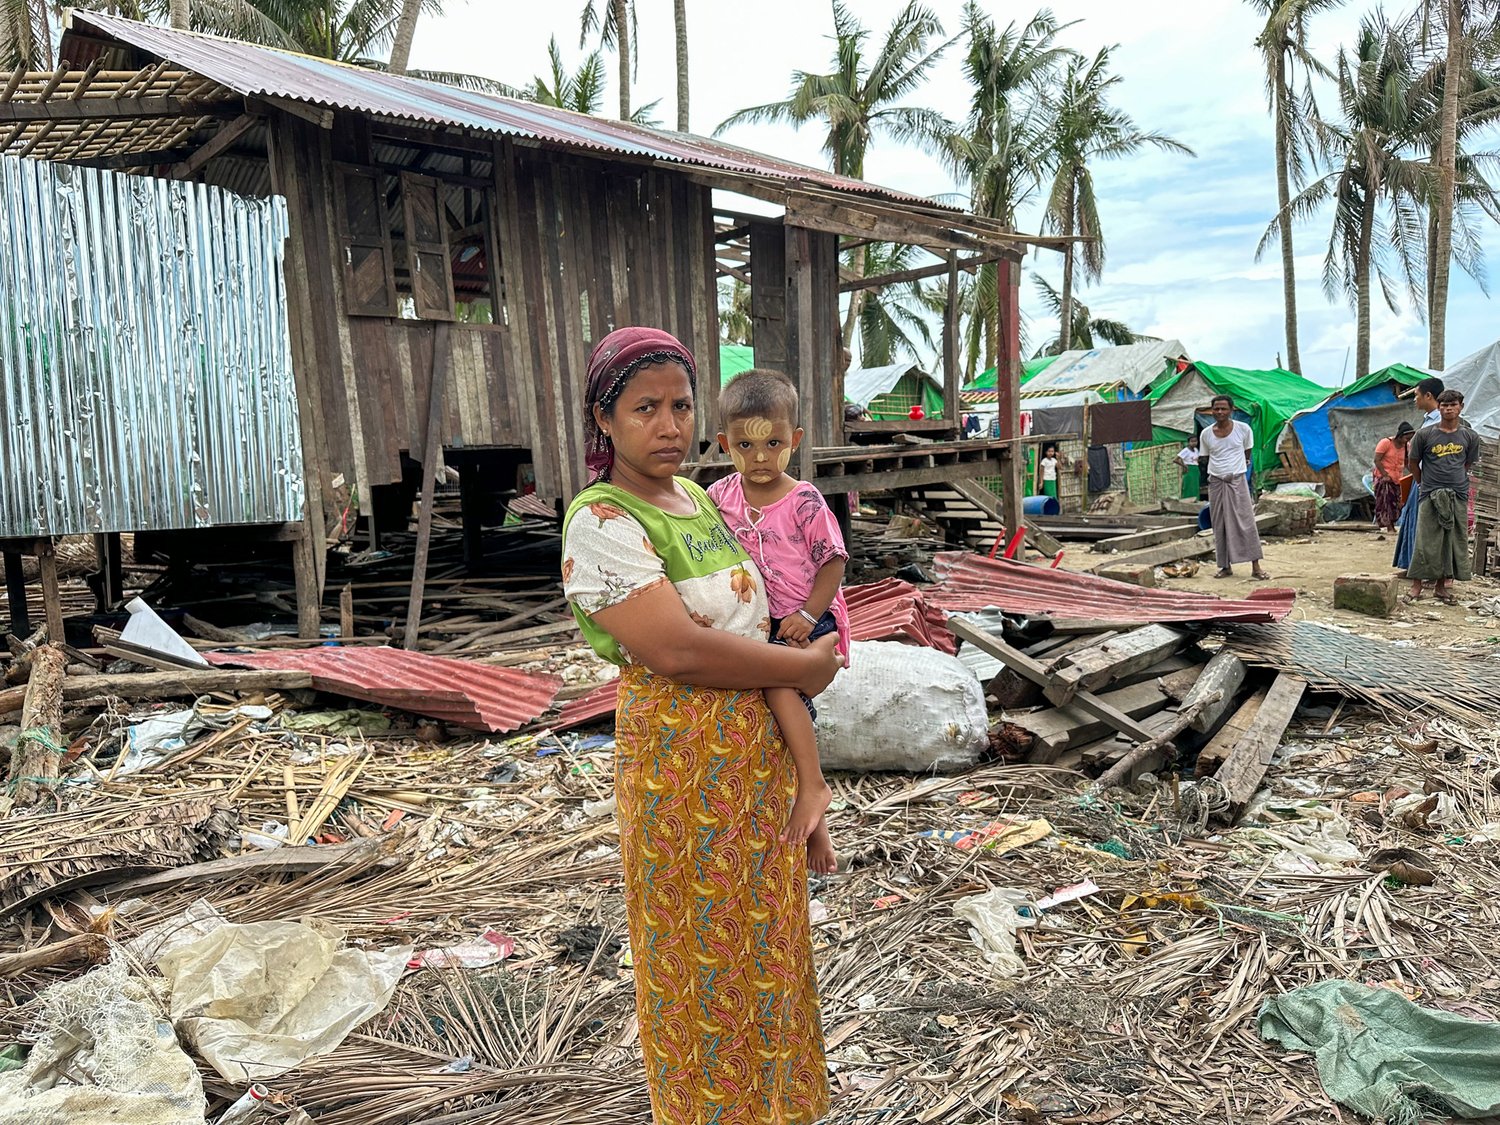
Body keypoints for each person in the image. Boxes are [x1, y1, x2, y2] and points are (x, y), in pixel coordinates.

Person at [560, 327, 836, 1125]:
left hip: (756, 766)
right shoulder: (601, 520)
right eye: (645, 407)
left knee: (769, 951)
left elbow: (752, 625)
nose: (669, 424)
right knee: (698, 961)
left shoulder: (702, 503)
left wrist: (808, 778)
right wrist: (805, 669)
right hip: (681, 773)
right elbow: (678, 652)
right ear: (603, 420)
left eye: (681, 405)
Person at [707, 368, 849, 875]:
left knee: (781, 690)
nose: (760, 457)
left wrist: (808, 615)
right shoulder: (719, 496)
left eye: (773, 442)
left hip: (806, 616)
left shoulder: (805, 501)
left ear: (796, 440)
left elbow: (833, 561)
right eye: (745, 446)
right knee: (781, 721)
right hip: (760, 621)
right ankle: (816, 821)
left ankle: (814, 787)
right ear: (725, 444)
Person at [1405, 389, 1480, 606]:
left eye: (1453, 405)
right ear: (1438, 407)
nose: (1448, 409)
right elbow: (1413, 463)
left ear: (1461, 407)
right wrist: (1422, 484)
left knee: (1451, 541)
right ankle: (1416, 585)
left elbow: (1467, 464)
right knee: (1425, 539)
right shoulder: (1424, 435)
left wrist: (1455, 481)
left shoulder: (1469, 436)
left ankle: (1441, 587)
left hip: (1458, 493)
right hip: (1430, 493)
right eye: (1444, 405)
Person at [1200, 394, 1270, 580]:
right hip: (1216, 482)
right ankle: (1225, 566)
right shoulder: (1206, 434)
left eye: (1223, 408)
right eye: (1216, 409)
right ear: (1211, 411)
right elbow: (1207, 457)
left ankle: (1256, 567)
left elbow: (1247, 452)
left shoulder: (1243, 429)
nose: (1220, 412)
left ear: (1231, 410)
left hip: (1236, 481)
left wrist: (1238, 467)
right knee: (1219, 524)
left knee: (1245, 522)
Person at [1393, 376, 1445, 571]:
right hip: (1420, 478)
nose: (1415, 399)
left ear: (1428, 395)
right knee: (1414, 520)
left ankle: (1427, 570)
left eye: (1416, 395)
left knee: (1427, 524)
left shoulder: (1440, 421)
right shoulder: (1429, 419)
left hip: (1431, 479)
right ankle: (1413, 565)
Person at [1372, 421, 1415, 532]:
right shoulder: (1386, 442)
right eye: (1406, 438)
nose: (1407, 441)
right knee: (1386, 502)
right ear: (1400, 435)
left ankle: (1392, 524)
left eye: (1409, 439)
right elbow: (1377, 460)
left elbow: (1406, 463)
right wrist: (1385, 475)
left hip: (1397, 479)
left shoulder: (1406, 446)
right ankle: (1389, 526)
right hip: (1384, 478)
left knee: (1397, 503)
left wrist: (1414, 473)